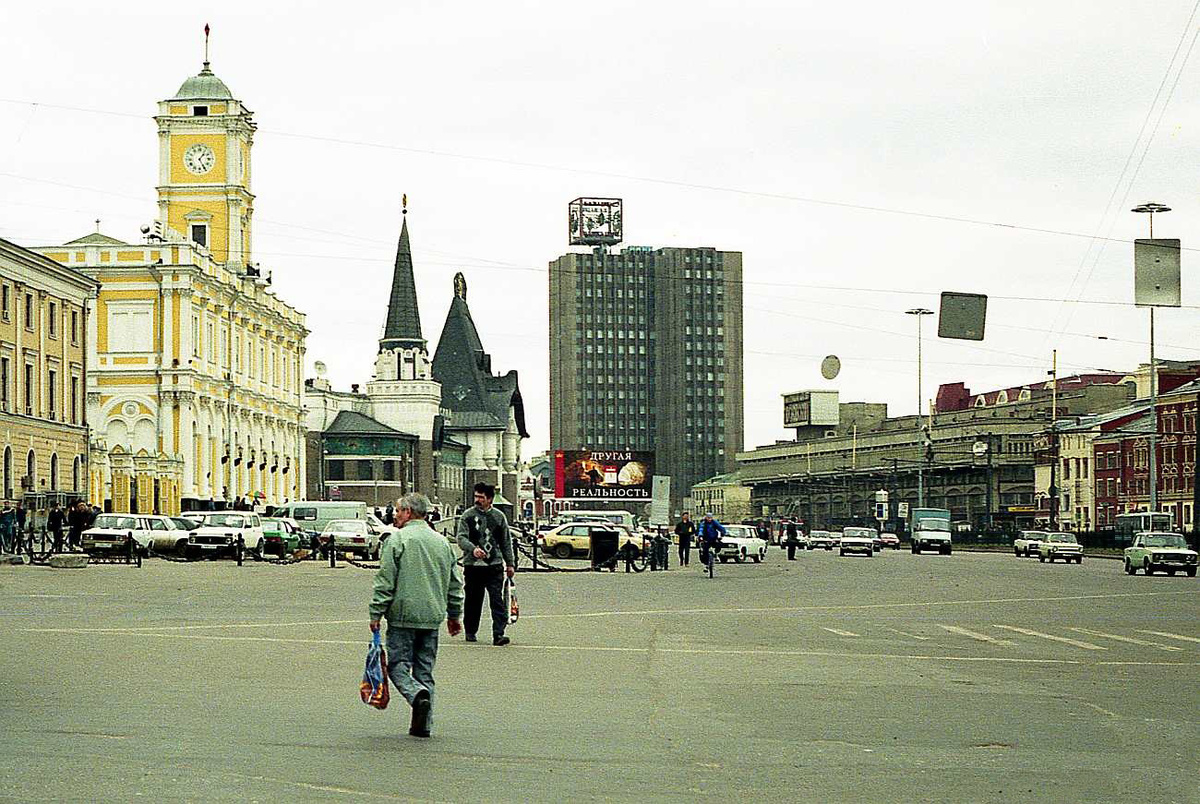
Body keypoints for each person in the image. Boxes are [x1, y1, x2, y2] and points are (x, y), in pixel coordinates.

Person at [369, 492, 463, 738]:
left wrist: (376, 612)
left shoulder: (397, 541)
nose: (395, 515)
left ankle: (415, 695)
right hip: (432, 616)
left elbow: (385, 581)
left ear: (408, 512)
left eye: (398, 511)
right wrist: (454, 615)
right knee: (424, 670)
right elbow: (455, 584)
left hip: (403, 615)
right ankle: (424, 724)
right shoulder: (442, 542)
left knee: (398, 666)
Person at [456, 482, 515, 646]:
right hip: (473, 566)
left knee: (497, 600)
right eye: (476, 496)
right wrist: (472, 549)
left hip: (494, 566)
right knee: (473, 600)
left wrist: (510, 564)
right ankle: (470, 631)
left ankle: (498, 634)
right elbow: (461, 537)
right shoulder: (467, 516)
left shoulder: (498, 517)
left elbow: (506, 542)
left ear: (489, 499)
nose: (477, 499)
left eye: (481, 497)